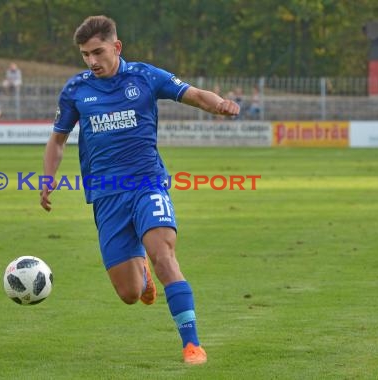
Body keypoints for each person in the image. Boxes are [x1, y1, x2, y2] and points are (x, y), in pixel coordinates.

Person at [40, 15, 239, 365]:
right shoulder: (76, 90)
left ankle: (191, 344)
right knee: (129, 294)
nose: (92, 61)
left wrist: (219, 104)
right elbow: (58, 139)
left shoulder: (144, 76)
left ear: (116, 47)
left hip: (148, 182)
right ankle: (140, 272)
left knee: (164, 256)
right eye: (85, 54)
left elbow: (192, 94)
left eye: (98, 52)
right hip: (105, 194)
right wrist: (47, 178)